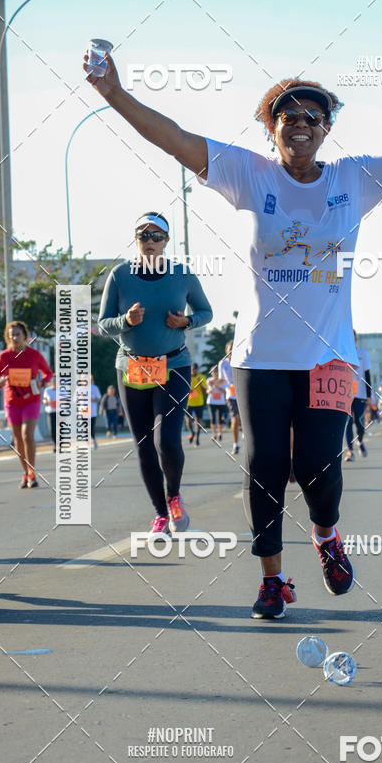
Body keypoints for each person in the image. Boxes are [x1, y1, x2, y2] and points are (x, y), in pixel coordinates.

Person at [85, 51, 382, 618]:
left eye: (312, 116)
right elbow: (176, 138)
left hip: (329, 359)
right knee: (264, 465)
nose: (300, 123)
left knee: (318, 465)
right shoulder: (249, 172)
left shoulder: (355, 178)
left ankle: (326, 537)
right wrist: (115, 95)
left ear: (326, 128)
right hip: (259, 358)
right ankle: (272, 580)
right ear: (271, 128)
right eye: (288, 116)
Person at [98, 212, 212, 536]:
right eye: (143, 235)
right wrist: (126, 322)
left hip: (174, 364)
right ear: (135, 239)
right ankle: (160, 514)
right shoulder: (120, 275)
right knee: (144, 443)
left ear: (166, 240)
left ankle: (174, 495)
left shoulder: (182, 275)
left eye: (156, 235)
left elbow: (206, 311)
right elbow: (104, 324)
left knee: (168, 440)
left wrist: (186, 322)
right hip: (132, 367)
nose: (149, 241)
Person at [0, 321, 53, 488]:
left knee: (27, 434)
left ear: (25, 336)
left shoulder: (34, 355)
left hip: (31, 399)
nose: (14, 337)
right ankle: (25, 472)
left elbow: (48, 373)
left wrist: (42, 381)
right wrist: (0, 382)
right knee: (17, 438)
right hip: (11, 401)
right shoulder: (3, 357)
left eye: (17, 334)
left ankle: (32, 472)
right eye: (11, 335)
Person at [344, 330, 371, 461]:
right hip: (345, 394)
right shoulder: (343, 352)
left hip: (360, 393)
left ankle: (360, 442)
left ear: (355, 338)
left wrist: (369, 395)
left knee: (359, 423)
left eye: (353, 336)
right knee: (348, 422)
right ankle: (350, 451)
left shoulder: (363, 353)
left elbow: (367, 374)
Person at [218, 341, 242, 455]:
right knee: (235, 417)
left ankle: (243, 429)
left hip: (242, 394)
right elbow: (221, 380)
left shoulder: (241, 361)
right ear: (226, 351)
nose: (232, 353)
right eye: (230, 351)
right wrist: (226, 387)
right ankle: (236, 445)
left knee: (243, 419)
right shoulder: (222, 364)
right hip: (231, 395)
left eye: (234, 350)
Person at [187, 363, 207, 446]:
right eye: (192, 369)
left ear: (197, 369)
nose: (194, 371)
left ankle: (197, 438)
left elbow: (204, 391)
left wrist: (200, 382)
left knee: (198, 422)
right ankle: (192, 432)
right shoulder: (187, 377)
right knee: (189, 421)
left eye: (195, 369)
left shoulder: (202, 377)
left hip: (199, 403)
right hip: (189, 403)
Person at [206, 366, 228, 441]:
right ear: (211, 373)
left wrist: (217, 387)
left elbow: (225, 391)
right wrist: (211, 389)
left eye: (216, 371)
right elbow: (208, 391)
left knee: (220, 418)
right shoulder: (209, 380)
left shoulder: (222, 380)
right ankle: (214, 434)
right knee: (213, 418)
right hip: (211, 401)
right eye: (213, 371)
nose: (215, 373)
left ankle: (220, 433)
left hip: (220, 402)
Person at [42, 376, 58, 451]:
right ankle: (55, 444)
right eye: (53, 381)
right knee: (52, 429)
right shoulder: (47, 390)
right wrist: (45, 402)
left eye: (56, 381)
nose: (54, 383)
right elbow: (44, 399)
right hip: (51, 412)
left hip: (60, 412)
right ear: (51, 382)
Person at [89, 374, 102, 449]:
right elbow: (74, 400)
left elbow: (99, 398)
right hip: (82, 412)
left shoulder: (94, 388)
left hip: (92, 412)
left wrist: (93, 400)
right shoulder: (79, 388)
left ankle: (94, 440)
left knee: (91, 428)